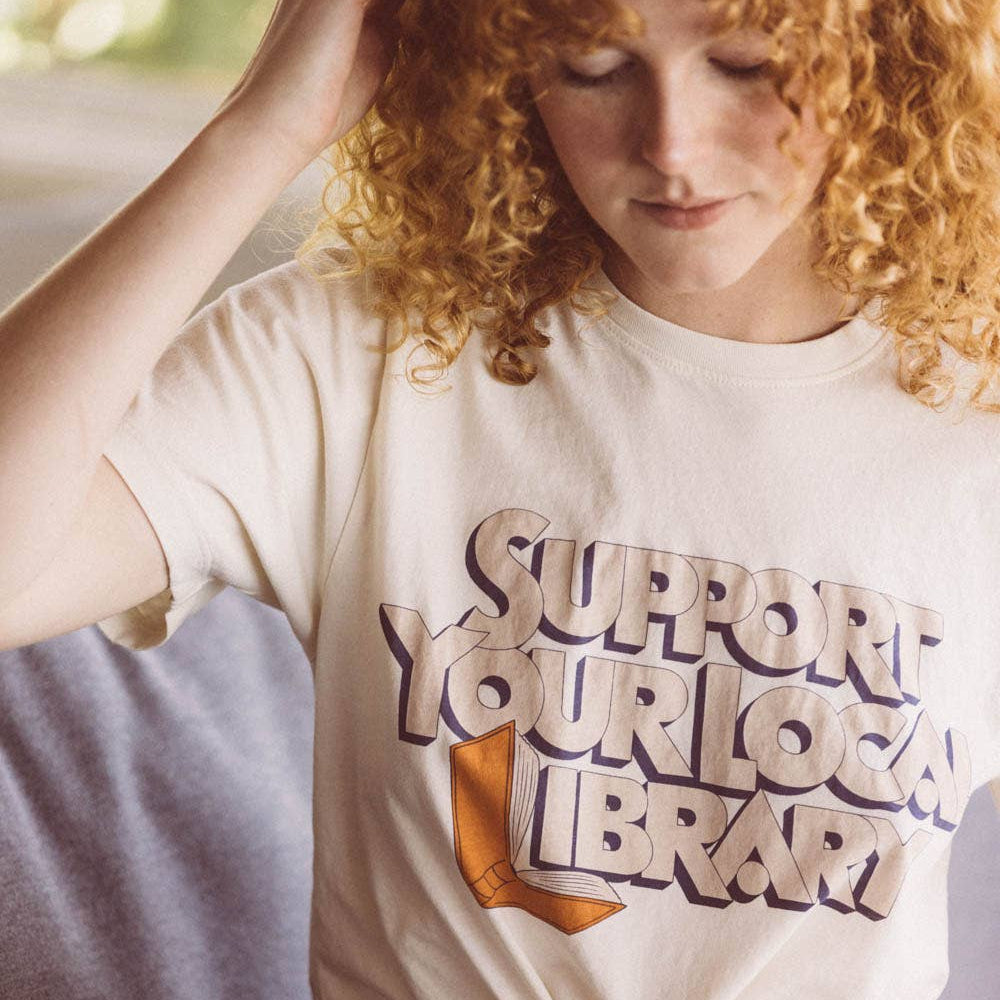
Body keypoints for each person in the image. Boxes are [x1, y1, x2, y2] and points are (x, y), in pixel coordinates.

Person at [1, 0, 999, 997]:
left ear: (885, 45)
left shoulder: (977, 424)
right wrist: (259, 130)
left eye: (745, 64)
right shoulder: (366, 354)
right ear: (506, 68)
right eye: (592, 67)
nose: (671, 146)